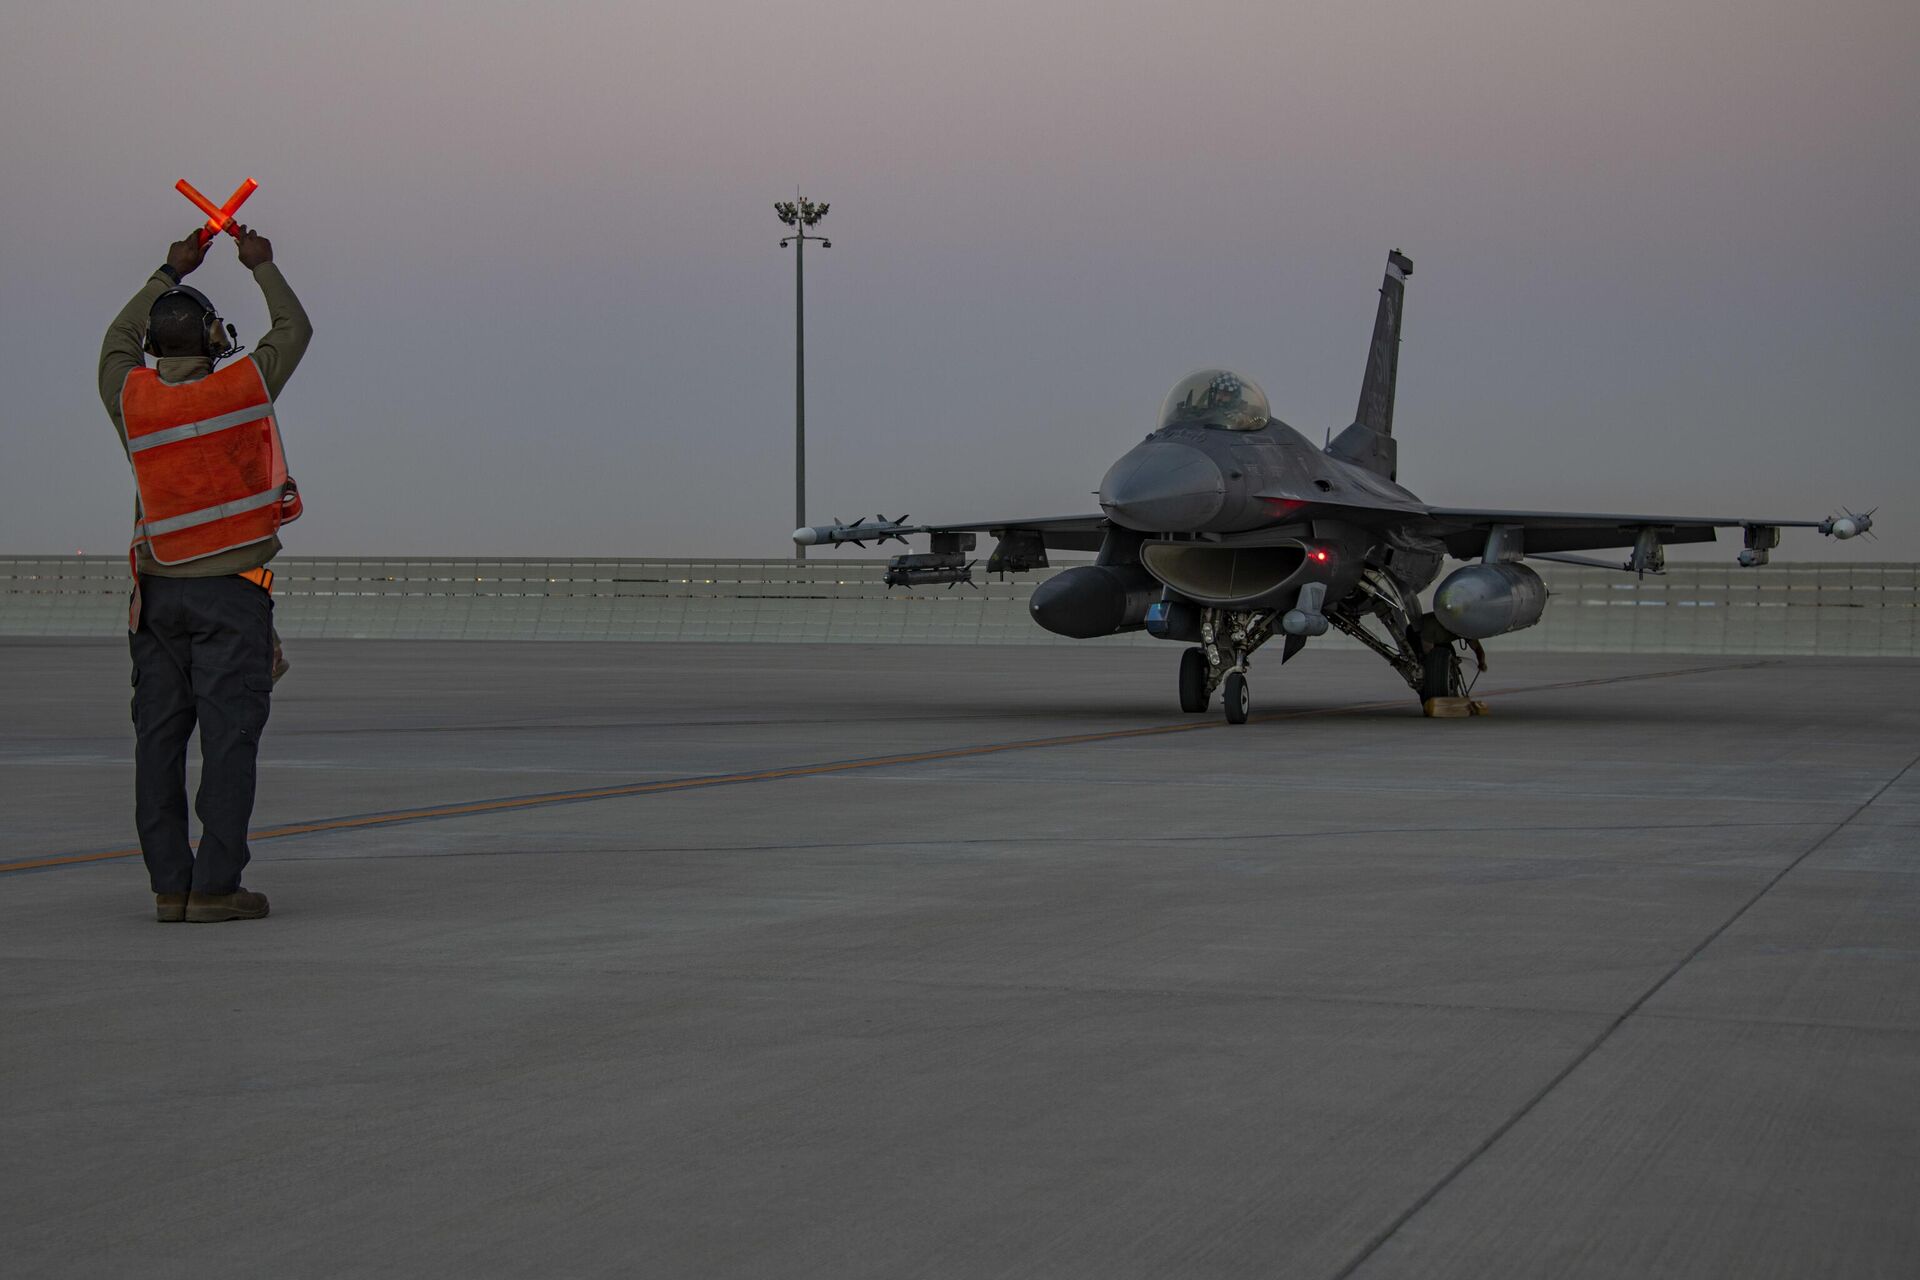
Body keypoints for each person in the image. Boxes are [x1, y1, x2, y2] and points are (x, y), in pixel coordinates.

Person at [98, 224, 312, 922]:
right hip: (231, 598)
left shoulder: (133, 400)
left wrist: (168, 269)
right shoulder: (242, 389)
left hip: (157, 600)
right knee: (228, 742)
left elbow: (115, 342)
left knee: (157, 742)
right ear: (216, 340)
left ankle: (170, 885)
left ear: (155, 347)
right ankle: (216, 884)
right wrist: (262, 264)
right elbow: (294, 327)